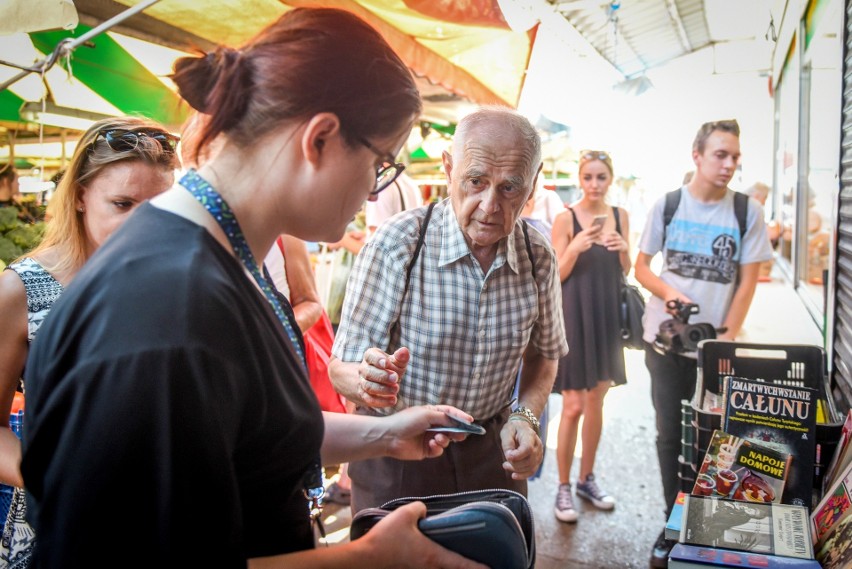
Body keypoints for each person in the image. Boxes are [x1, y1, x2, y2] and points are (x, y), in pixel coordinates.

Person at [21, 8, 486, 568]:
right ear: (320, 139)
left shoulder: (213, 259)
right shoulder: (170, 309)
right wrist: (373, 560)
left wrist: (382, 435)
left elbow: (240, 428)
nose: (372, 192)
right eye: (382, 163)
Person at [329, 106, 569, 513]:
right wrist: (368, 380)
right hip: (395, 450)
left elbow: (544, 355)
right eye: (475, 182)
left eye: (510, 188)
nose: (490, 205)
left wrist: (525, 417)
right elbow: (341, 368)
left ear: (533, 185)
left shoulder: (538, 256)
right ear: (448, 168)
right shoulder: (398, 244)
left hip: (491, 455)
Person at [0, 116, 179, 567]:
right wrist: (60, 478)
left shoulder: (178, 280)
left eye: (157, 209)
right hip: (61, 530)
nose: (142, 226)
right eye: (122, 204)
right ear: (80, 195)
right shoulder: (22, 289)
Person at [635, 119, 772, 568]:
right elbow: (641, 268)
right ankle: (672, 524)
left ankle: (707, 526)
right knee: (669, 436)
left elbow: (748, 283)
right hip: (666, 345)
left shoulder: (746, 212)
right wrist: (671, 294)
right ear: (697, 155)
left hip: (717, 354)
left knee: (718, 442)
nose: (730, 164)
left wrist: (728, 340)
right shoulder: (669, 205)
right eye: (721, 155)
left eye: (736, 157)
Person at [549, 150, 630, 523]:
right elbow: (555, 276)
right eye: (588, 177)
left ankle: (586, 479)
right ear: (580, 180)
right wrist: (577, 246)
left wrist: (623, 249)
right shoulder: (565, 218)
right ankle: (563, 487)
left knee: (597, 399)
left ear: (610, 179)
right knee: (573, 406)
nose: (594, 184)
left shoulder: (620, 216)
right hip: (574, 317)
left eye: (601, 177)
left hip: (606, 317)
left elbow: (624, 272)